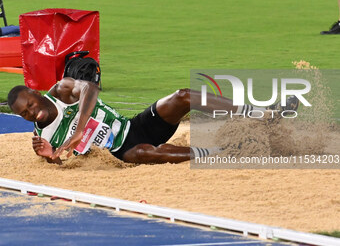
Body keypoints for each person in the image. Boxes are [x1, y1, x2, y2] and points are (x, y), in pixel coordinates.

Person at [7, 78, 299, 165]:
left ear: (35, 92)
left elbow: (90, 89)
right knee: (147, 152)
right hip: (121, 152)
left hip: (134, 126)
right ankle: (225, 153)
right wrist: (51, 157)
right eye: (25, 114)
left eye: (30, 105)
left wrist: (81, 125)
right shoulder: (41, 135)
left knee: (182, 96)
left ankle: (262, 114)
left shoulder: (60, 91)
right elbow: (60, 161)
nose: (32, 113)